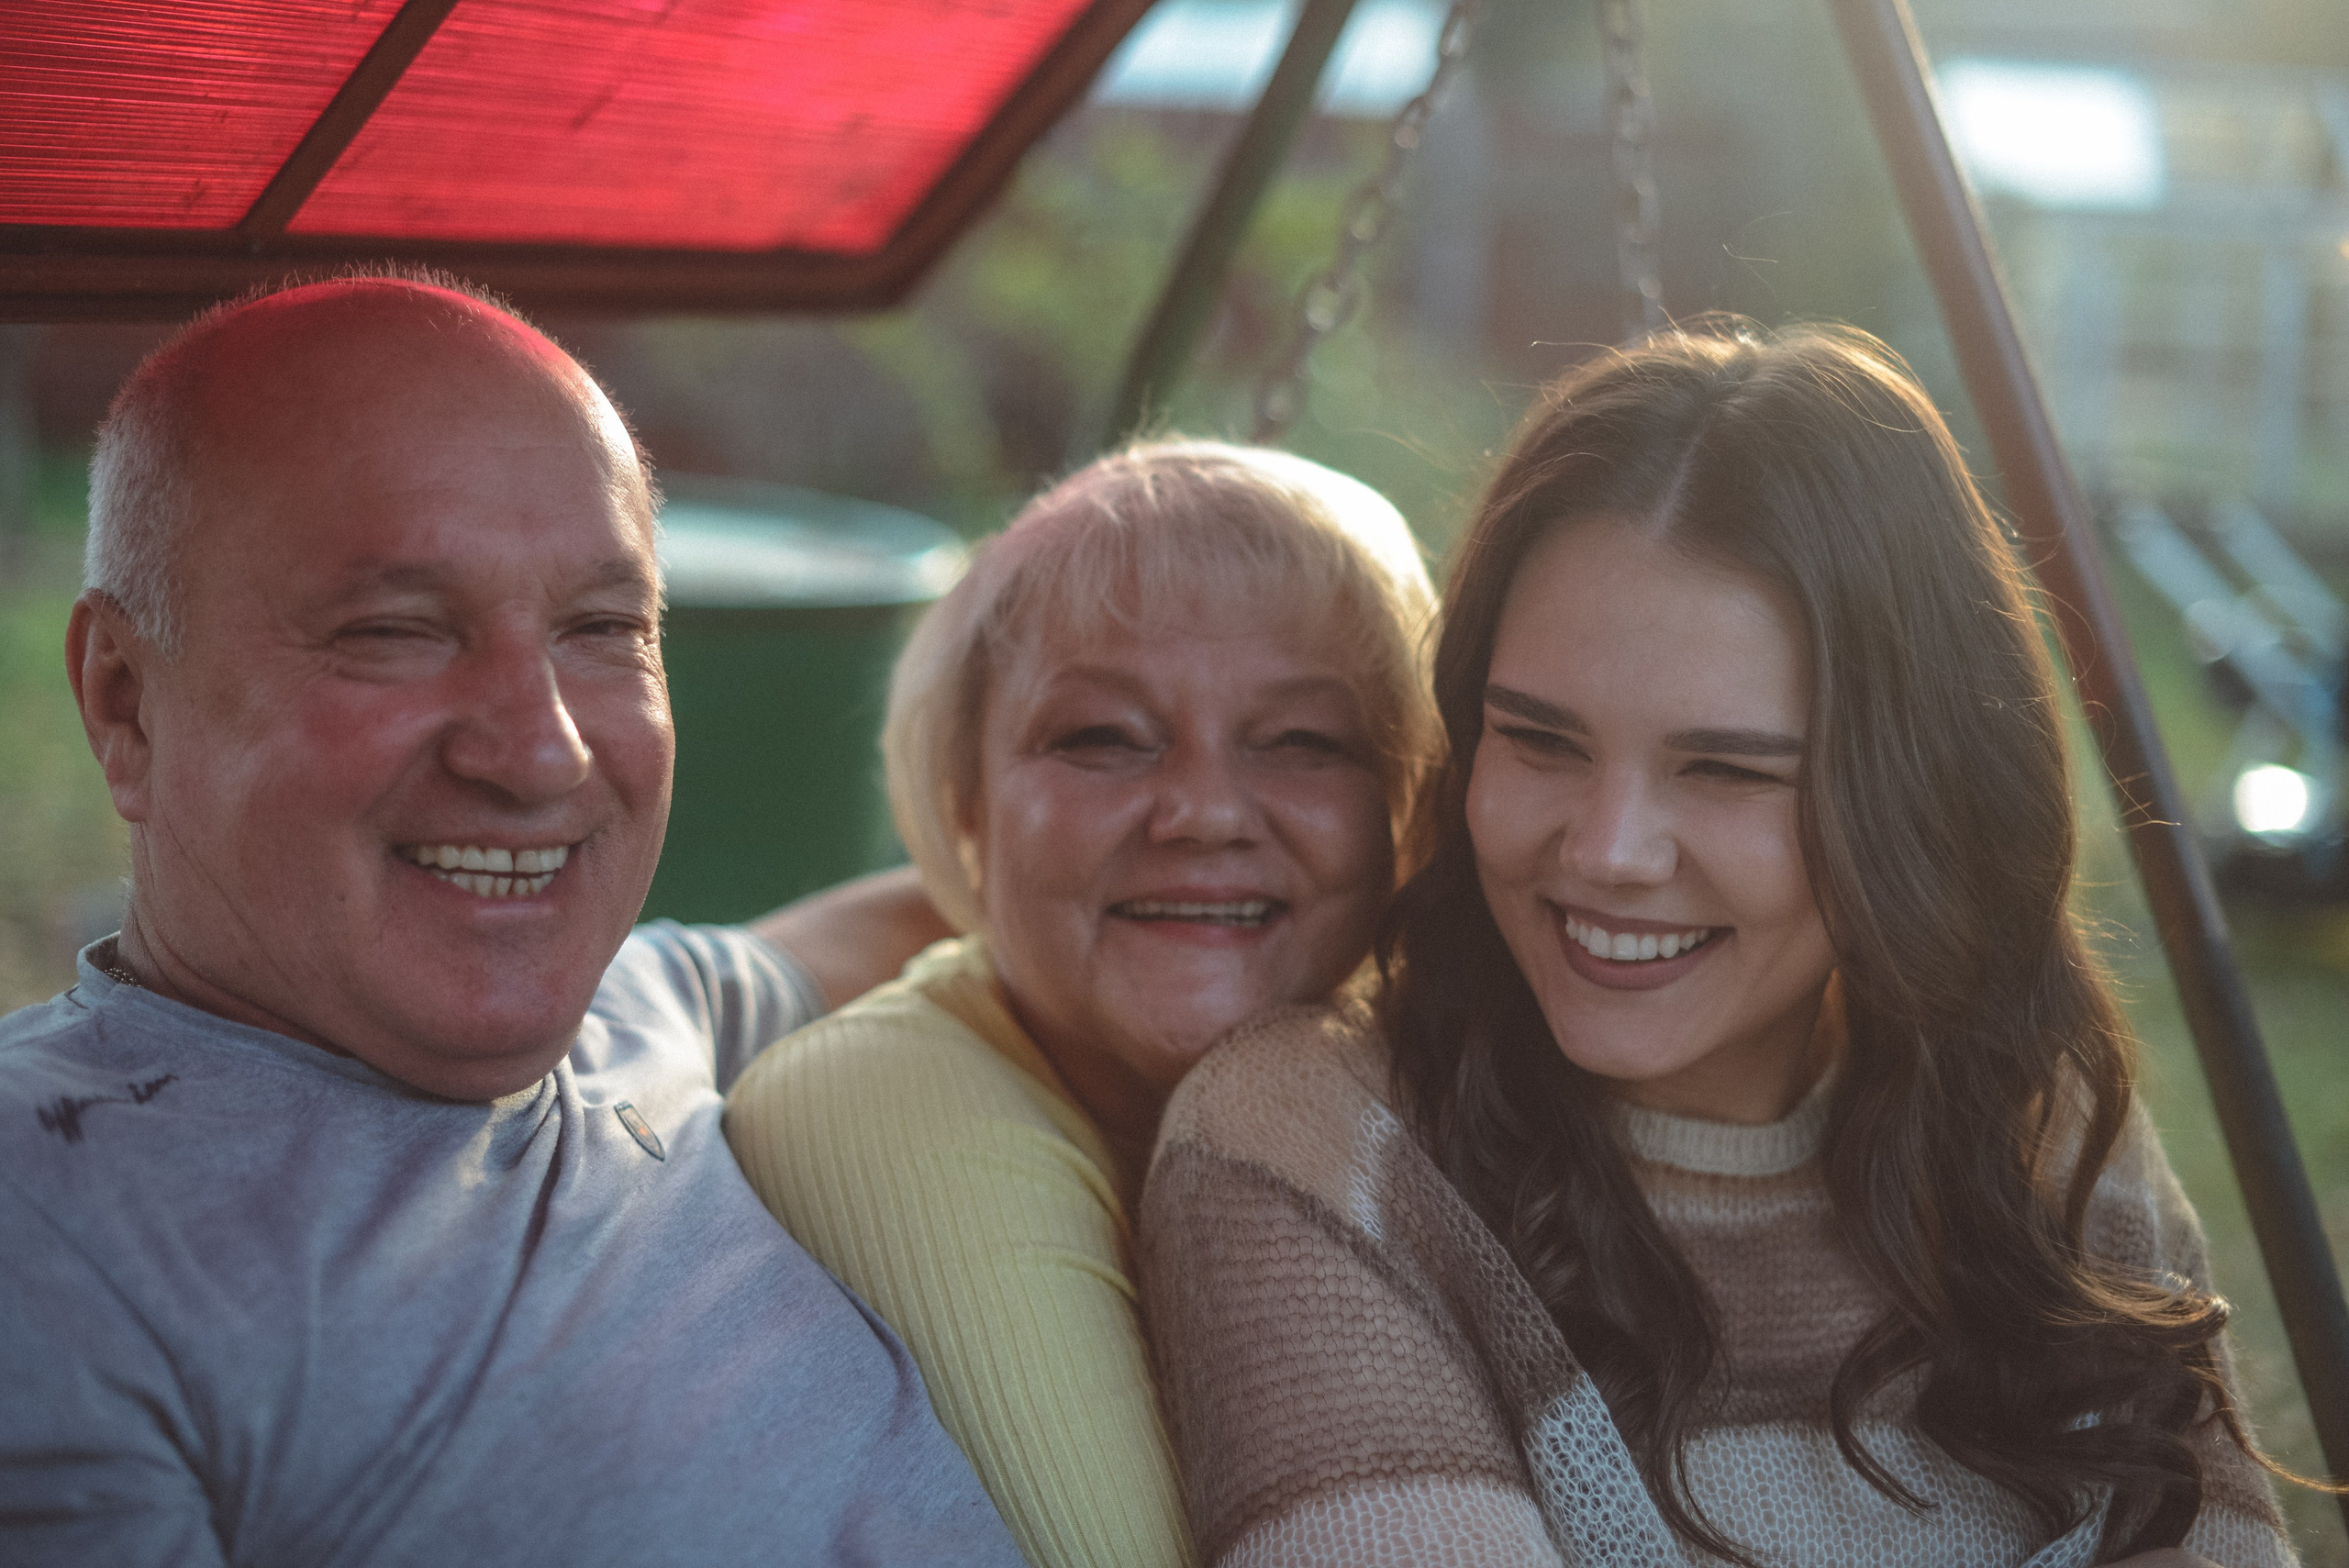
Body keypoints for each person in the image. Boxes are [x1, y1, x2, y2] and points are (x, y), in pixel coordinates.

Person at [1141, 323, 2302, 1568]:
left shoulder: (2043, 1130)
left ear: (1913, 794)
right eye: (1540, 740)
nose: (1609, 849)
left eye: (1727, 769)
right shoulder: (1314, 1149)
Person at [0, 273, 1024, 1567]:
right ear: (125, 704)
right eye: (393, 630)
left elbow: (1029, 903)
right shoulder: (49, 1226)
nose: (541, 751)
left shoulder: (648, 1011)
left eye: (604, 628)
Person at [724, 440, 1441, 1568]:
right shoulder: (877, 1103)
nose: (1202, 810)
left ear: (1406, 811)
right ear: (967, 798)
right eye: (1102, 736)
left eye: (1303, 740)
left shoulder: (1416, 1077)